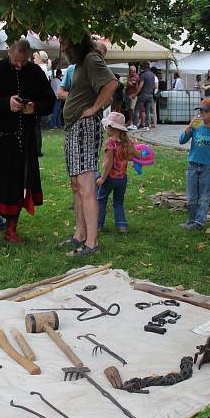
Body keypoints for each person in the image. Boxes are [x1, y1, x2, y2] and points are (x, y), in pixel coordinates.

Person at [0, 38, 55, 252]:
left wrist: (35, 108)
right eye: (17, 60)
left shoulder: (36, 73)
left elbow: (50, 101)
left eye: (24, 61)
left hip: (25, 139)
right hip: (1, 140)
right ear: (9, 52)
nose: (20, 65)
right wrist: (5, 104)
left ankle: (11, 230)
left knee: (21, 184)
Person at [61, 34, 118, 256]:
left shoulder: (92, 59)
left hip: (84, 128)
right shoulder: (81, 63)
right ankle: (80, 234)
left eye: (65, 43)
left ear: (76, 43)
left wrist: (94, 109)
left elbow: (112, 83)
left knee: (86, 185)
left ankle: (92, 243)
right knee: (76, 184)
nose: (63, 47)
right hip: (74, 129)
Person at [178, 99, 210, 230]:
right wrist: (189, 127)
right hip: (192, 165)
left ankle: (199, 223)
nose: (202, 113)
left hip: (207, 168)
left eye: (206, 111)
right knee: (192, 196)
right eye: (201, 110)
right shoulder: (196, 127)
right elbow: (181, 141)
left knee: (204, 196)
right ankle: (191, 220)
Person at [97, 112, 141, 233]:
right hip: (122, 179)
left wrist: (102, 178)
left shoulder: (110, 143)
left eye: (107, 127)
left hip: (110, 178)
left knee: (101, 200)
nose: (106, 129)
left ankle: (98, 225)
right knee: (118, 202)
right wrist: (133, 145)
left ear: (111, 128)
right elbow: (138, 156)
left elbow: (108, 163)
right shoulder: (126, 143)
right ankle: (121, 225)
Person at [133, 61, 157, 131]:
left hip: (143, 95)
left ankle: (134, 125)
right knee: (147, 111)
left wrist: (135, 94)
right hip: (150, 95)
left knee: (137, 109)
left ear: (143, 67)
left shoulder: (143, 74)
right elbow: (154, 86)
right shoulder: (152, 75)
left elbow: (140, 86)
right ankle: (147, 126)